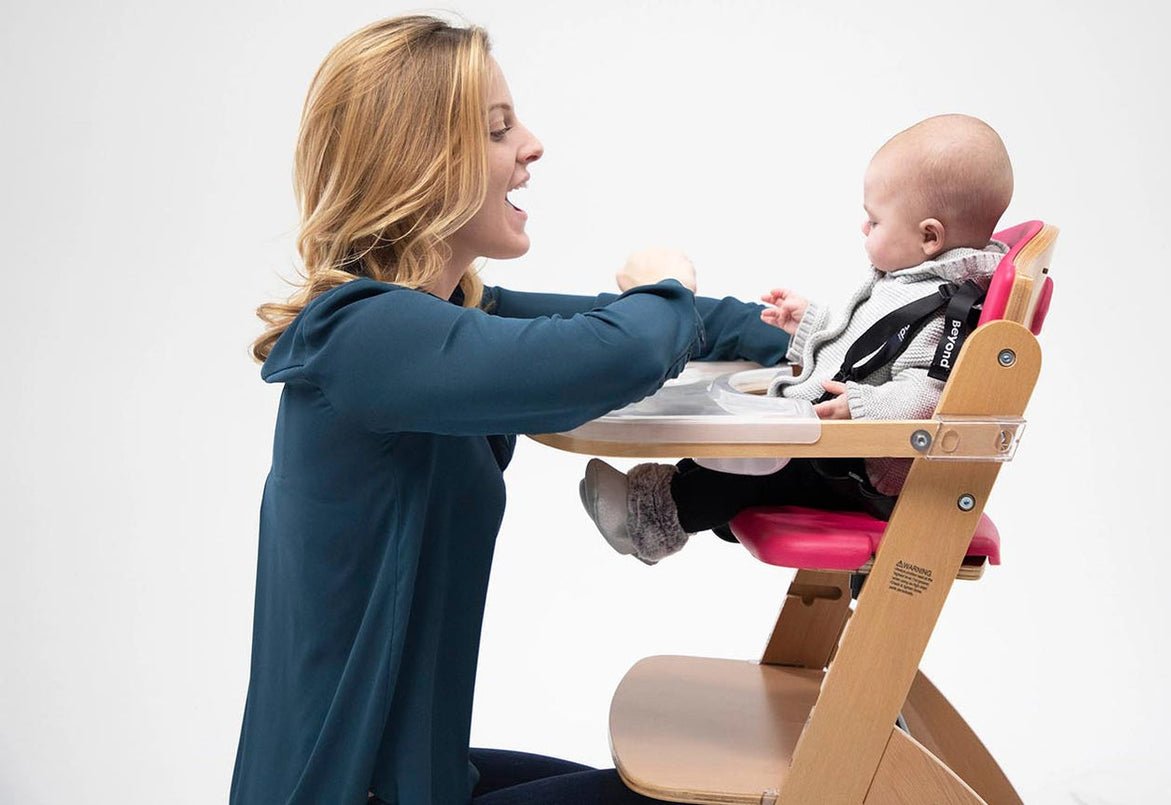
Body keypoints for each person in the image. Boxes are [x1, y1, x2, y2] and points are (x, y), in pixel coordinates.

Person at [229, 15, 787, 805]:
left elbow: (648, 329)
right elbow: (624, 348)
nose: (532, 143)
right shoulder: (368, 336)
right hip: (353, 791)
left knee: (720, 776)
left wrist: (814, 339)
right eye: (498, 130)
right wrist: (670, 279)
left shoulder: (445, 317)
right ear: (421, 162)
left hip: (413, 778)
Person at [580, 115, 1014, 563]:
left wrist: (864, 407)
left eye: (875, 220)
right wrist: (810, 323)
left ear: (929, 236)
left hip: (860, 477)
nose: (865, 229)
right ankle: (656, 499)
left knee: (748, 471)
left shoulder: (949, 310)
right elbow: (869, 346)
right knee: (745, 453)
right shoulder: (915, 284)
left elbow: (931, 392)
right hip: (842, 456)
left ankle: (647, 519)